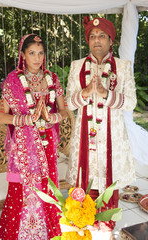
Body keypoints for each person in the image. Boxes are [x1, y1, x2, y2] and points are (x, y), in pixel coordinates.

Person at [0, 34, 67, 240]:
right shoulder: (13, 80)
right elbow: (0, 115)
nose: (37, 58)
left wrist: (50, 117)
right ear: (23, 55)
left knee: (47, 185)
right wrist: (26, 120)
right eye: (32, 53)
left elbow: (65, 111)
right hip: (23, 145)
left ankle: (48, 232)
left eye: (41, 53)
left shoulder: (52, 78)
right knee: (21, 187)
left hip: (46, 141)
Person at [66, 16, 137, 234]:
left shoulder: (123, 67)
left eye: (102, 36)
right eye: (92, 36)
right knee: (85, 181)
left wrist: (106, 94)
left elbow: (131, 102)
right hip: (85, 138)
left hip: (112, 139)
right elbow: (69, 102)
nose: (97, 40)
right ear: (88, 40)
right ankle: (84, 222)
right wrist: (86, 92)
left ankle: (106, 226)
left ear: (111, 40)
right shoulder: (77, 66)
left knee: (109, 182)